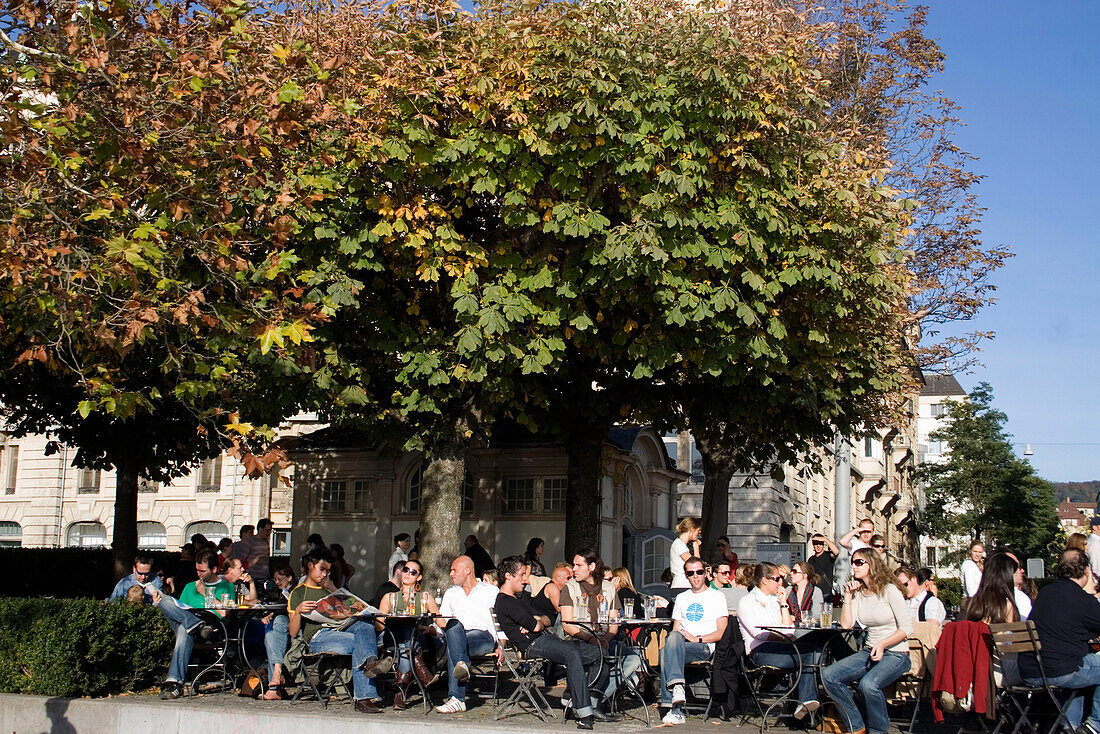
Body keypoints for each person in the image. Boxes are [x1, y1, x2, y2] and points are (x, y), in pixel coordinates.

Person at [494, 555, 604, 729]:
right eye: (522, 575)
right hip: (532, 646)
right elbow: (536, 625)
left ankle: (583, 700)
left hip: (546, 639)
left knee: (598, 653)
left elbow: (547, 619)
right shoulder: (505, 602)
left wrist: (537, 621)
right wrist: (535, 622)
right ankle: (584, 713)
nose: (525, 580)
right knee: (572, 653)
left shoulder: (518, 600)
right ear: (508, 576)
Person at [821, 548, 912, 734]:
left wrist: (883, 643)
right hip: (870, 651)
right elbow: (847, 625)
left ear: (872, 565)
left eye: (858, 562)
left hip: (896, 653)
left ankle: (878, 730)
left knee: (868, 684)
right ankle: (857, 726)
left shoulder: (889, 590)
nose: (853, 566)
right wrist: (848, 596)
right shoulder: (859, 594)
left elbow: (906, 628)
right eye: (852, 562)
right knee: (829, 676)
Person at [289, 546, 391, 713]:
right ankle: (364, 696)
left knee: (365, 624)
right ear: (309, 566)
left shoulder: (329, 587)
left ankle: (370, 664)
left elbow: (346, 608)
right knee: (363, 644)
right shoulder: (299, 593)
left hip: (340, 630)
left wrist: (333, 589)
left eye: (328, 571)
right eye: (322, 570)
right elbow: (293, 633)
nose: (324, 575)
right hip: (318, 637)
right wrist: (299, 611)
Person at [1020, 549, 1100, 733]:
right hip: (1058, 671)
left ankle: (1069, 727)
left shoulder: (1046, 593)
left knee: (1079, 669)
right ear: (1086, 571)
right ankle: (1094, 725)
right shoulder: (1082, 599)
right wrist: (1089, 592)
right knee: (1078, 667)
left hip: (1030, 671)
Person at [560, 548, 640, 716]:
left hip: (603, 639)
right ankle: (588, 703)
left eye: (578, 565)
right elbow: (567, 625)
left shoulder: (609, 588)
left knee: (633, 659)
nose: (573, 569)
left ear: (592, 567)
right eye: (573, 565)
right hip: (578, 639)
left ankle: (592, 699)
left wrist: (608, 637)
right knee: (600, 655)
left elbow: (614, 621)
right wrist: (590, 639)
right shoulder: (570, 588)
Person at [737, 561, 819, 720]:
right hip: (761, 651)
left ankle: (807, 701)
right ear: (764, 580)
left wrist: (783, 604)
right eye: (777, 578)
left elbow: (788, 626)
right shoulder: (747, 601)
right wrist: (784, 635)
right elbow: (760, 633)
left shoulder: (775, 600)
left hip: (781, 646)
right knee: (810, 654)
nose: (780, 582)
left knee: (816, 650)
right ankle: (805, 700)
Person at [151, 548, 236, 699]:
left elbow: (224, 612)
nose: (199, 574)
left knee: (185, 629)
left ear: (214, 569)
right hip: (192, 622)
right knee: (165, 600)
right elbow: (181, 610)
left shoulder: (225, 586)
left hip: (212, 629)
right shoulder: (190, 586)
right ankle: (195, 625)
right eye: (197, 570)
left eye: (203, 571)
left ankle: (174, 684)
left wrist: (204, 593)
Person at [661, 556, 730, 725]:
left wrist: (698, 639)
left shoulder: (717, 597)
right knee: (670, 643)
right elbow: (676, 629)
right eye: (691, 573)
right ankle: (677, 690)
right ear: (686, 576)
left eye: (699, 572)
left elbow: (721, 632)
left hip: (704, 646)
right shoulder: (682, 598)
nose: (696, 576)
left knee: (665, 652)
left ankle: (673, 707)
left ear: (706, 573)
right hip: (682, 644)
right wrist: (681, 638)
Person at [435, 555, 500, 713]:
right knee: (453, 626)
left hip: (482, 636)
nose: (451, 574)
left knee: (453, 646)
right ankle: (461, 668)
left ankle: (456, 698)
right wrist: (434, 628)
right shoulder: (451, 593)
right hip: (457, 633)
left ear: (467, 570)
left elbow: (500, 620)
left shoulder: (490, 590)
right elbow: (443, 621)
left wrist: (502, 646)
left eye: (454, 570)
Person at [378, 558, 441, 710]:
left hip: (417, 638)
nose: (407, 574)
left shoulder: (425, 598)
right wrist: (388, 618)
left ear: (419, 577)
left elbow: (440, 621)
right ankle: (423, 674)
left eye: (412, 572)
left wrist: (432, 628)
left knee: (408, 637)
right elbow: (378, 625)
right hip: (393, 638)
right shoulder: (390, 597)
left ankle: (400, 694)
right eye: (405, 570)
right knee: (406, 637)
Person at [262, 564, 296, 699]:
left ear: (289, 578)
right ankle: (275, 686)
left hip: (293, 629)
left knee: (280, 621)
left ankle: (275, 685)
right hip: (281, 632)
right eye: (275, 580)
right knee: (269, 637)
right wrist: (270, 615)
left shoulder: (294, 591)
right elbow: (279, 609)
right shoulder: (283, 593)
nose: (277, 582)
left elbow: (286, 611)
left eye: (280, 579)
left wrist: (273, 615)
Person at [670, 517, 702, 590]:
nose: (699, 534)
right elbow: (695, 564)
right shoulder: (679, 544)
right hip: (682, 585)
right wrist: (696, 547)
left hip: (684, 584)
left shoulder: (681, 545)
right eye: (698, 531)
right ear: (692, 530)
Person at [807, 532, 839, 601]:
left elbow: (836, 552)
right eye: (816, 544)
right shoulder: (811, 559)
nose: (818, 546)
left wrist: (825, 539)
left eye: (820, 544)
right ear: (813, 545)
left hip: (826, 593)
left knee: (826, 612)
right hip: (814, 592)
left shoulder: (828, 555)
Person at [1086, 517, 1100, 584]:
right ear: (1095, 527)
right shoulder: (1096, 543)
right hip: (1096, 585)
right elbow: (1097, 569)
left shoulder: (1090, 541)